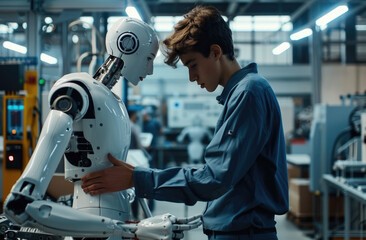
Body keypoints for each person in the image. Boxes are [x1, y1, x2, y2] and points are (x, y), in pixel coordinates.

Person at [81, 5, 289, 240]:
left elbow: (215, 178)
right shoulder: (242, 93)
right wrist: (137, 172)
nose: (192, 77)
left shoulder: (249, 92)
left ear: (215, 52)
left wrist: (137, 179)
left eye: (193, 65)